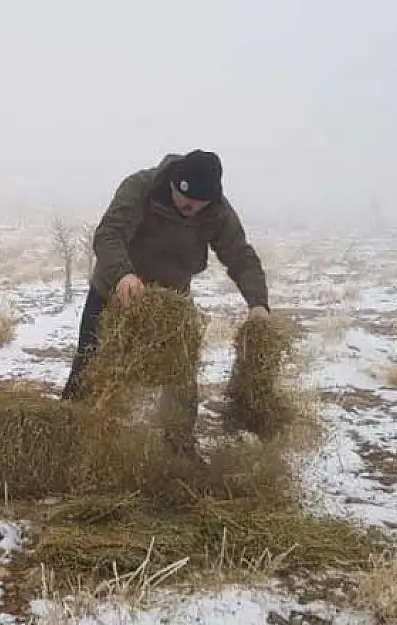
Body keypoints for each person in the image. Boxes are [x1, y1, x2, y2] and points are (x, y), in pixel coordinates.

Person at [61, 150, 269, 453]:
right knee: (88, 367)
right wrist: (123, 275)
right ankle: (71, 438)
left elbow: (240, 256)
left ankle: (179, 446)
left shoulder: (218, 211)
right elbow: (109, 234)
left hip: (171, 302)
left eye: (200, 203)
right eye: (185, 198)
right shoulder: (141, 187)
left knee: (181, 377)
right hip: (114, 293)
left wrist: (258, 303)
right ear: (173, 182)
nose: (190, 207)